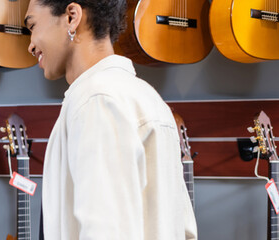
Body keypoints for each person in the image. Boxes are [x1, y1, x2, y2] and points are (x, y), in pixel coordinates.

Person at [24, 0, 197, 239]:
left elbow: (105, 232)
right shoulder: (150, 98)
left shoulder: (96, 101)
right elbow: (184, 229)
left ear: (72, 17)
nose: (30, 45)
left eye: (32, 26)